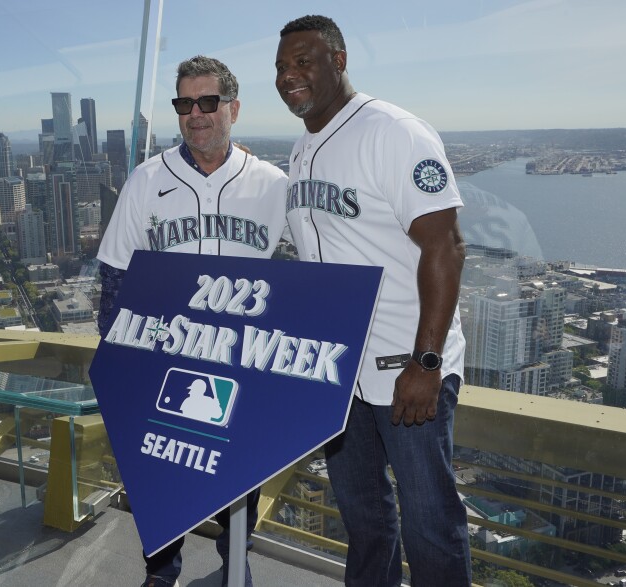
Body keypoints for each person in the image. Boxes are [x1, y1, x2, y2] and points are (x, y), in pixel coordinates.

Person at [275, 15, 471, 587]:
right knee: (365, 521)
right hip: (340, 375)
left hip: (406, 369)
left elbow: (447, 247)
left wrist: (427, 363)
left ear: (338, 60)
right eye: (282, 67)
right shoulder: (301, 148)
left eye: (303, 61)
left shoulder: (394, 131)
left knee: (431, 525)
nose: (290, 76)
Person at [96, 55, 287, 587]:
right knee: (161, 473)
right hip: (162, 357)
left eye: (208, 101)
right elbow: (114, 277)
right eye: (185, 103)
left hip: (241, 363)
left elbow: (297, 283)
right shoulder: (147, 179)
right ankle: (161, 572)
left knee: (239, 476)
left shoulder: (273, 186)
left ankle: (235, 565)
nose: (196, 113)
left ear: (234, 108)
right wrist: (119, 367)